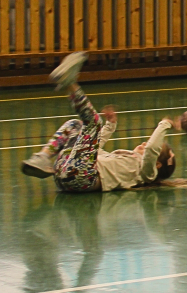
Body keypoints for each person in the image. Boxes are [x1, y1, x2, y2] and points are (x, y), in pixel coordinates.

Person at [20, 52, 177, 192]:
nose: (144, 143)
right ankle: (42, 157)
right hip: (66, 172)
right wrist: (110, 126)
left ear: (157, 165)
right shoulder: (120, 160)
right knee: (76, 125)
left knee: (94, 122)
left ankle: (70, 83)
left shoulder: (146, 173)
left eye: (151, 148)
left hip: (83, 178)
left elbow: (151, 149)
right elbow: (93, 147)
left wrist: (165, 123)